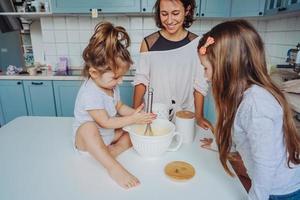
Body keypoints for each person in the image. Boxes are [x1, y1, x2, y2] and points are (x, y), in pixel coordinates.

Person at [198, 19, 300, 200]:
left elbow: (265, 167)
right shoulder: (241, 96)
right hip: (269, 185)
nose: (205, 76)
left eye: (206, 68)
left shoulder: (256, 105)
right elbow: (235, 131)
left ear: (226, 67)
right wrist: (216, 145)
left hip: (280, 192)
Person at [73, 22, 156, 189]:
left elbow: (119, 107)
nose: (120, 81)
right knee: (88, 127)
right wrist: (132, 118)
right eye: (116, 77)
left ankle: (112, 152)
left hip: (108, 138)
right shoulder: (90, 93)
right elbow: (105, 122)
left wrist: (138, 115)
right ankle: (113, 167)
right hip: (88, 143)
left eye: (121, 76)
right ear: (94, 73)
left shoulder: (110, 86)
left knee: (132, 134)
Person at [133, 0, 211, 129]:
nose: (169, 20)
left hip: (185, 116)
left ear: (187, 10)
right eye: (164, 14)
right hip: (154, 115)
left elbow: (200, 85)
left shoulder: (197, 44)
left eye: (175, 13)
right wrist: (134, 112)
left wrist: (199, 116)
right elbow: (141, 81)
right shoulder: (149, 43)